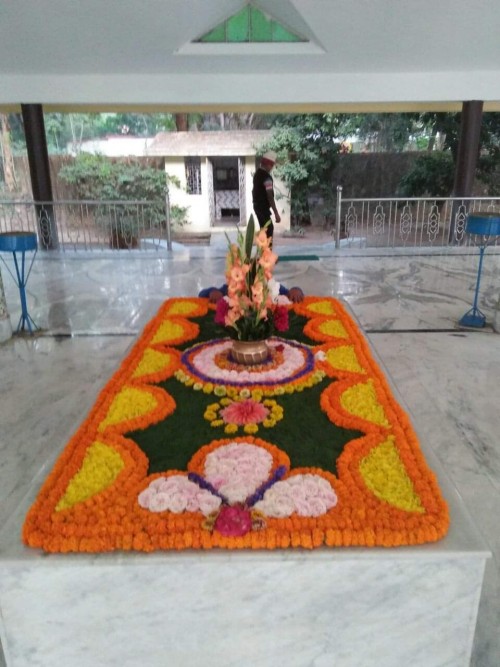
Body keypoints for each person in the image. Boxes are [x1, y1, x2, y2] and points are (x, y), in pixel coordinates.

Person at [252, 151, 281, 246]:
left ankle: (263, 255)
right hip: (262, 208)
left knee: (264, 230)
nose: (272, 168)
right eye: (272, 166)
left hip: (257, 206)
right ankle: (266, 256)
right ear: (268, 165)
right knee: (268, 230)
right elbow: (270, 196)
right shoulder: (266, 177)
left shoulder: (257, 175)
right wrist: (276, 213)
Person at [199, 282, 304, 305]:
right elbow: (202, 294)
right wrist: (213, 291)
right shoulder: (233, 286)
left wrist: (296, 289)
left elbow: (290, 293)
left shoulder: (269, 286)